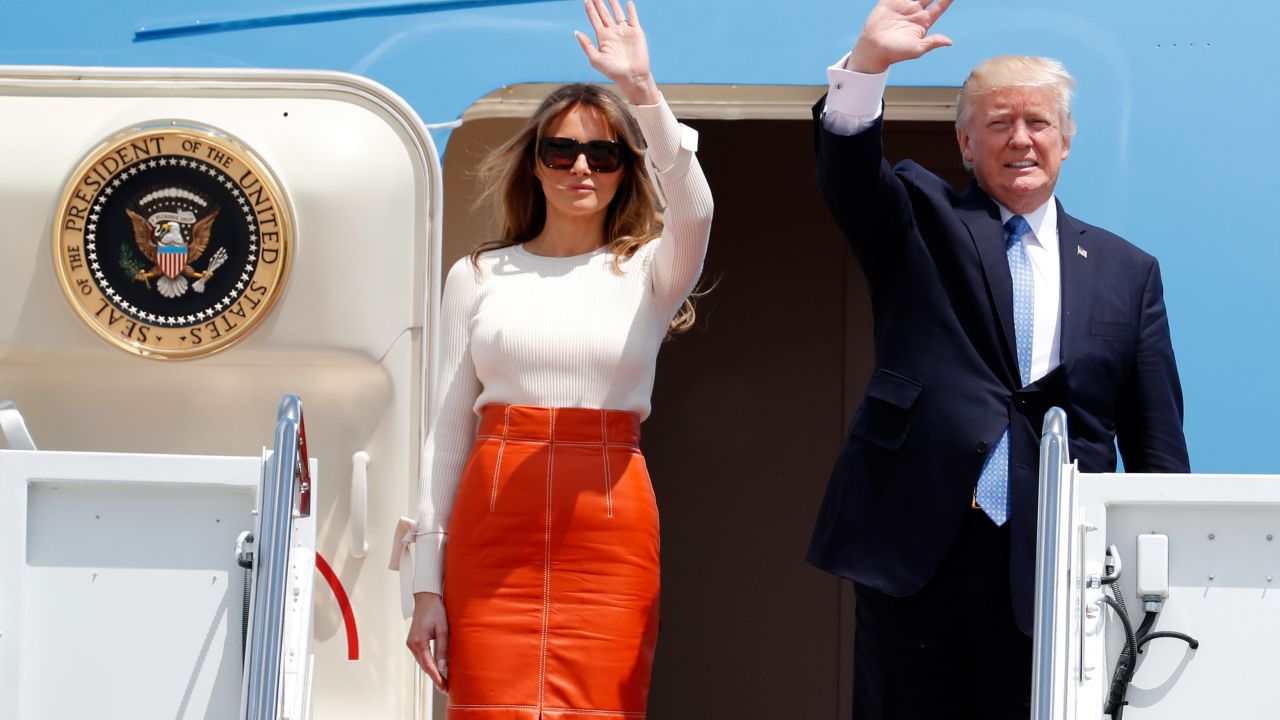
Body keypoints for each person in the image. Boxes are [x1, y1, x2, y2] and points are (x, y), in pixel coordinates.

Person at [806, 1, 1190, 717]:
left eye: (1038, 122)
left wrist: (1164, 577)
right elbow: (849, 175)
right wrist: (867, 64)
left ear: (1066, 142)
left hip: (1058, 567)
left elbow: (1156, 441)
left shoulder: (1126, 270)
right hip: (917, 554)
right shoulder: (921, 220)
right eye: (999, 124)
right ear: (965, 143)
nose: (1020, 139)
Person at [400, 0, 712, 717]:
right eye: (561, 151)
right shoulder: (477, 274)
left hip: (608, 525)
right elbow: (447, 434)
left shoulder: (650, 271)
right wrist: (425, 584)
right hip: (491, 522)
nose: (581, 167)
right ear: (535, 167)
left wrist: (643, 91)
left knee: (603, 705)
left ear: (624, 172)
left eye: (603, 155)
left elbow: (694, 210)